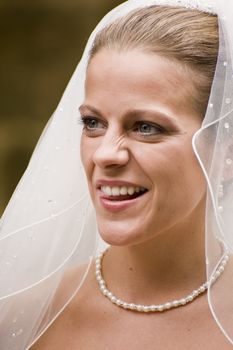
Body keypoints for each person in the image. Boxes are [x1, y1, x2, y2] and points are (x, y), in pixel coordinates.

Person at [1, 0, 233, 349]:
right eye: (93, 123)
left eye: (146, 127)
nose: (106, 153)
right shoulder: (19, 319)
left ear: (227, 152)